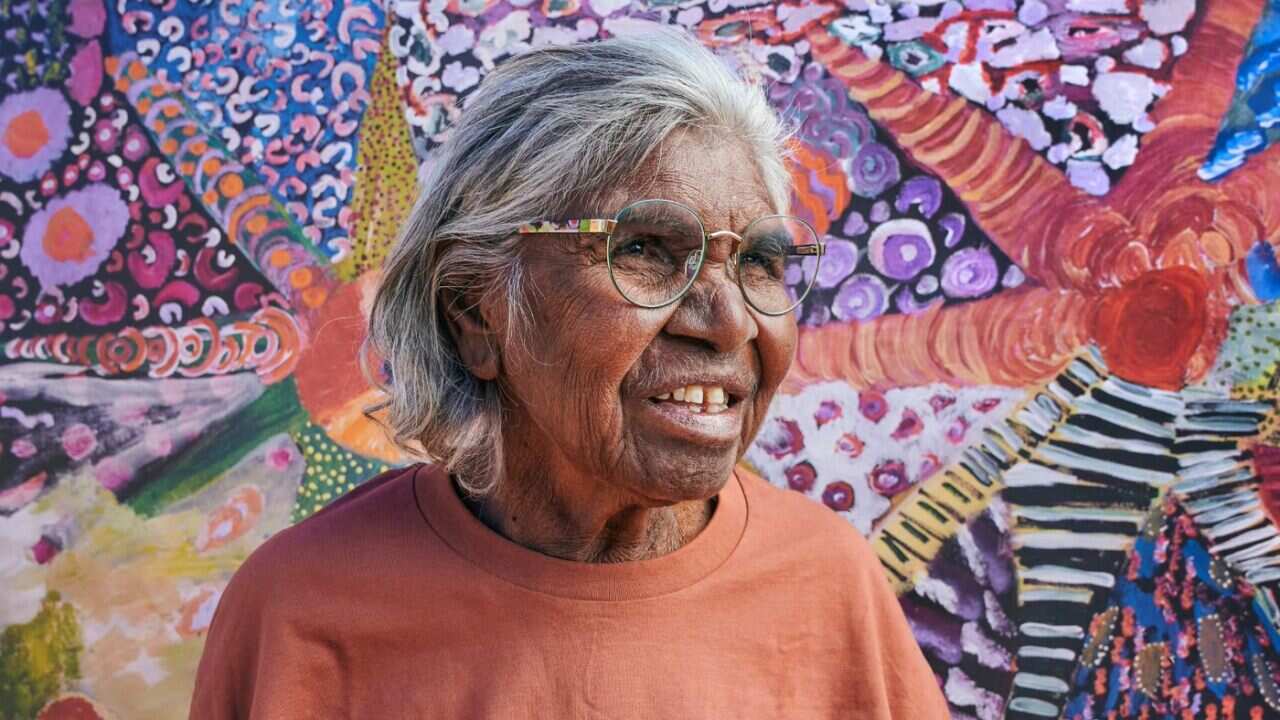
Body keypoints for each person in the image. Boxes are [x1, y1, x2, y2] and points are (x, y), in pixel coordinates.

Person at [190, 29, 949, 719]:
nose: (729, 323)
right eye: (645, 250)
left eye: (759, 261)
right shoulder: (305, 613)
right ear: (474, 311)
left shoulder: (825, 584)